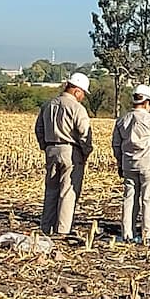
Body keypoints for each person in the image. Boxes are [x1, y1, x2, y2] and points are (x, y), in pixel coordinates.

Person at [35, 72, 93, 235]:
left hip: (51, 150)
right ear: (77, 90)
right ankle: (62, 231)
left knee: (51, 191)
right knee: (67, 193)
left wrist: (45, 146)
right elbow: (84, 133)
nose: (82, 97)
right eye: (82, 93)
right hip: (71, 151)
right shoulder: (77, 108)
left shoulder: (48, 105)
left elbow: (38, 128)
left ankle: (46, 228)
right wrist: (85, 152)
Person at [112, 84, 150, 242]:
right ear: (147, 102)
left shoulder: (122, 120)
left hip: (129, 165)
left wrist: (120, 163)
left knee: (129, 199)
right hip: (148, 165)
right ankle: (148, 235)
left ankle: (127, 234)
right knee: (149, 200)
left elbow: (116, 145)